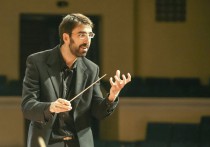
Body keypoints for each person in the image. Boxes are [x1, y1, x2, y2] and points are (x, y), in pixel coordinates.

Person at [21, 13, 131, 147]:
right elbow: (27, 106)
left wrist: (112, 96)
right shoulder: (37, 62)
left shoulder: (91, 69)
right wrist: (50, 107)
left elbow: (98, 112)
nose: (87, 41)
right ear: (66, 37)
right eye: (81, 35)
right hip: (47, 142)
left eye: (90, 35)